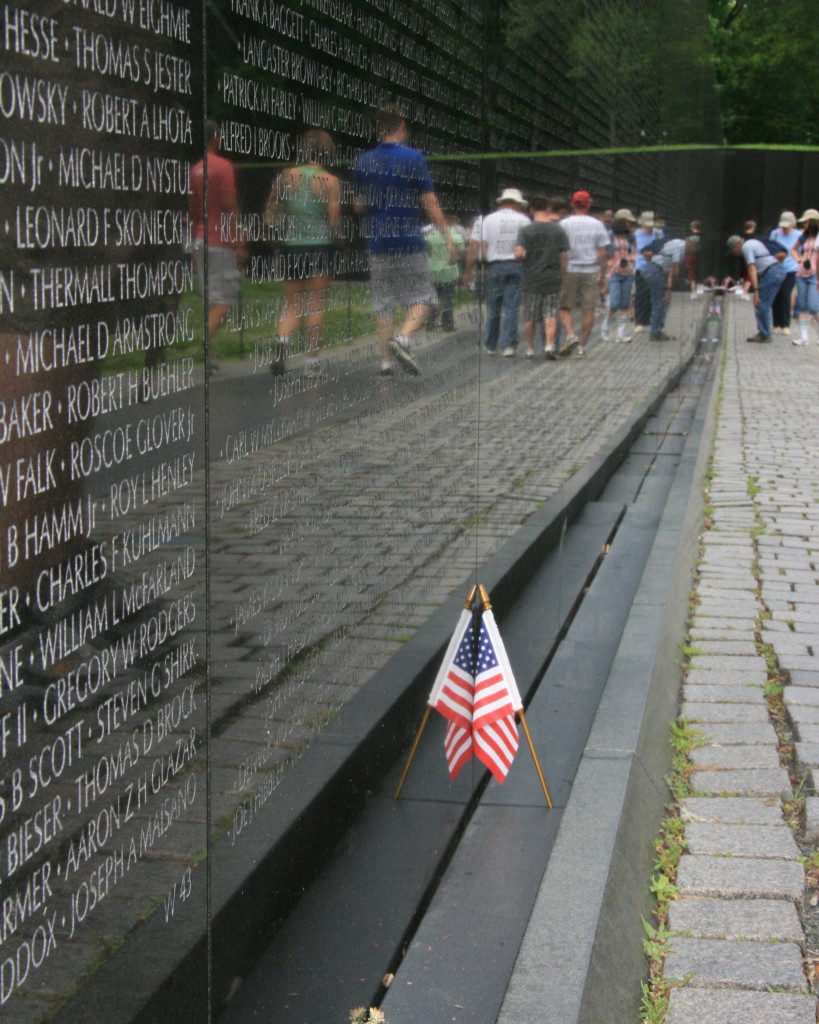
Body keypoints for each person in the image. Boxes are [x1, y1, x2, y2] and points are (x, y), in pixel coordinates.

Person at [353, 106, 455, 376]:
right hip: (408, 241)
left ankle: (386, 363)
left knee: (383, 304)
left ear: (378, 129)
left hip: (378, 243)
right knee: (424, 298)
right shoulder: (414, 158)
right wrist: (448, 239)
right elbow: (430, 202)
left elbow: (359, 206)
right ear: (399, 127)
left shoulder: (363, 162)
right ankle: (404, 338)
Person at [264, 129, 341, 377]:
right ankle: (311, 364)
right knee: (316, 305)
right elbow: (333, 220)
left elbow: (271, 208)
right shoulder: (330, 181)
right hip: (319, 247)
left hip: (291, 246)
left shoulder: (286, 176)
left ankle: (282, 347)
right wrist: (340, 239)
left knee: (292, 305)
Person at [189, 120, 246, 373]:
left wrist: (193, 242)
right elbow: (229, 205)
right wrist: (240, 241)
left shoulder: (196, 170)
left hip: (201, 240)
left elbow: (193, 211)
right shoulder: (223, 167)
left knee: (212, 299)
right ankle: (206, 342)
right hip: (221, 243)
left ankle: (210, 357)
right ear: (216, 138)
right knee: (224, 301)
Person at [514, 195, 569, 360]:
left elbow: (518, 253)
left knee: (530, 314)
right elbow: (563, 256)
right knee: (550, 312)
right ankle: (549, 345)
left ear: (530, 210)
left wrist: (523, 258)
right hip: (552, 275)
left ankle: (530, 348)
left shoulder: (525, 230)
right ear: (548, 209)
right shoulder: (558, 229)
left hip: (531, 276)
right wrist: (563, 275)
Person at [478, 188, 530, 356]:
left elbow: (483, 246)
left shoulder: (488, 220)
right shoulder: (524, 220)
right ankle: (508, 345)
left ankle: (491, 344)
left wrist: (482, 264)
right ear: (517, 203)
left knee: (493, 307)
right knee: (511, 306)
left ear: (503, 202)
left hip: (494, 266)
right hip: (516, 265)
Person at [557, 190, 609, 357]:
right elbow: (602, 253)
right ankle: (582, 348)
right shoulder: (598, 224)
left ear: (572, 204)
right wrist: (603, 275)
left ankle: (571, 334)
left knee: (563, 306)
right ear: (589, 204)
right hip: (591, 270)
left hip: (571, 269)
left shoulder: (564, 224)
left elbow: (562, 252)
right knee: (589, 309)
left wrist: (561, 271)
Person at [726, 233, 788, 343]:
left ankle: (765, 335)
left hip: (772, 272)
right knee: (765, 303)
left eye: (733, 251)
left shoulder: (746, 247)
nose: (735, 254)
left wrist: (756, 290)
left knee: (761, 303)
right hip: (778, 270)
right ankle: (763, 331)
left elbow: (751, 268)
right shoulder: (752, 242)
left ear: (736, 246)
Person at [425, 214, 465, 332]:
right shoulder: (455, 236)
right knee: (447, 299)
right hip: (449, 271)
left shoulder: (430, 236)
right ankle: (447, 324)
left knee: (433, 298)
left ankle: (430, 323)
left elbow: (428, 251)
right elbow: (462, 252)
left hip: (433, 270)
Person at [606, 209, 637, 342]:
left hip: (628, 272)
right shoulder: (609, 235)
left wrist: (630, 258)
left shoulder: (630, 236)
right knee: (614, 303)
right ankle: (605, 325)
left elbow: (636, 250)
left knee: (624, 303)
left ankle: (621, 333)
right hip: (614, 272)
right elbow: (606, 252)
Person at [789, 208, 819, 346]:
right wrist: (799, 259)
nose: (804, 225)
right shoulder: (803, 237)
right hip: (801, 273)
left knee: (814, 306)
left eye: (806, 222)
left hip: (814, 275)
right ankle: (804, 337)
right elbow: (793, 250)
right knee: (802, 305)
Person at [769, 211, 800, 336]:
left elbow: (801, 251)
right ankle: (776, 323)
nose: (785, 229)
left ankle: (785, 324)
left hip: (791, 269)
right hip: (776, 268)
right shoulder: (775, 234)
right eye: (783, 226)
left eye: (787, 226)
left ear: (793, 224)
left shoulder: (799, 235)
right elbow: (770, 249)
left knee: (785, 294)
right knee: (775, 295)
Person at [633, 211, 664, 333]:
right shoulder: (636, 234)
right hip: (640, 267)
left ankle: (653, 321)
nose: (650, 227)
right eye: (647, 225)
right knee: (641, 295)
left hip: (655, 267)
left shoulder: (658, 233)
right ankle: (640, 322)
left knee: (655, 295)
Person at [684, 221, 702, 297]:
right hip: (698, 256)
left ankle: (693, 291)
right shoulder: (702, 236)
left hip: (690, 256)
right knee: (695, 272)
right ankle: (695, 289)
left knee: (691, 273)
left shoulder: (691, 237)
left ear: (693, 227)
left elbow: (687, 245)